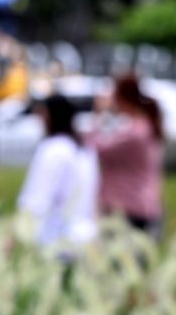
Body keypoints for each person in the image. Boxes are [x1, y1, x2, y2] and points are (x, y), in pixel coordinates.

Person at [86, 73, 164, 239]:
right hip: (136, 205)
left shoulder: (135, 133)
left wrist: (98, 114)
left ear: (121, 98)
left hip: (128, 207)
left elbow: (96, 147)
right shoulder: (141, 126)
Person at [17, 94, 99, 251]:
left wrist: (15, 235)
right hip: (86, 238)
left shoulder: (53, 149)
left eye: (42, 114)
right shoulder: (85, 150)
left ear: (51, 116)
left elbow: (36, 199)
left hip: (56, 240)